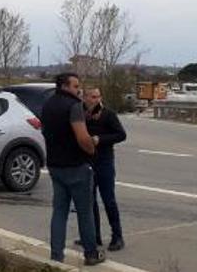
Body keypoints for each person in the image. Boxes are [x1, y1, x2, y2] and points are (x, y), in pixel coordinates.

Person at [41, 73, 105, 265]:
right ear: (65, 86)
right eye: (76, 85)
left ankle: (56, 256)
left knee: (59, 211)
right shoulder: (74, 106)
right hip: (76, 166)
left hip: (55, 165)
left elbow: (45, 131)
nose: (79, 89)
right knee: (85, 213)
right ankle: (91, 254)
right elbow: (82, 137)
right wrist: (92, 150)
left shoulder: (48, 104)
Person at [83, 88, 126, 251]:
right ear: (85, 98)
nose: (95, 100)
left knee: (108, 200)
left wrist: (100, 139)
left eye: (98, 96)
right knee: (89, 201)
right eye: (92, 96)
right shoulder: (81, 113)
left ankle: (117, 236)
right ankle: (94, 235)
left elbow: (121, 135)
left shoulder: (108, 114)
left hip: (104, 162)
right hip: (87, 162)